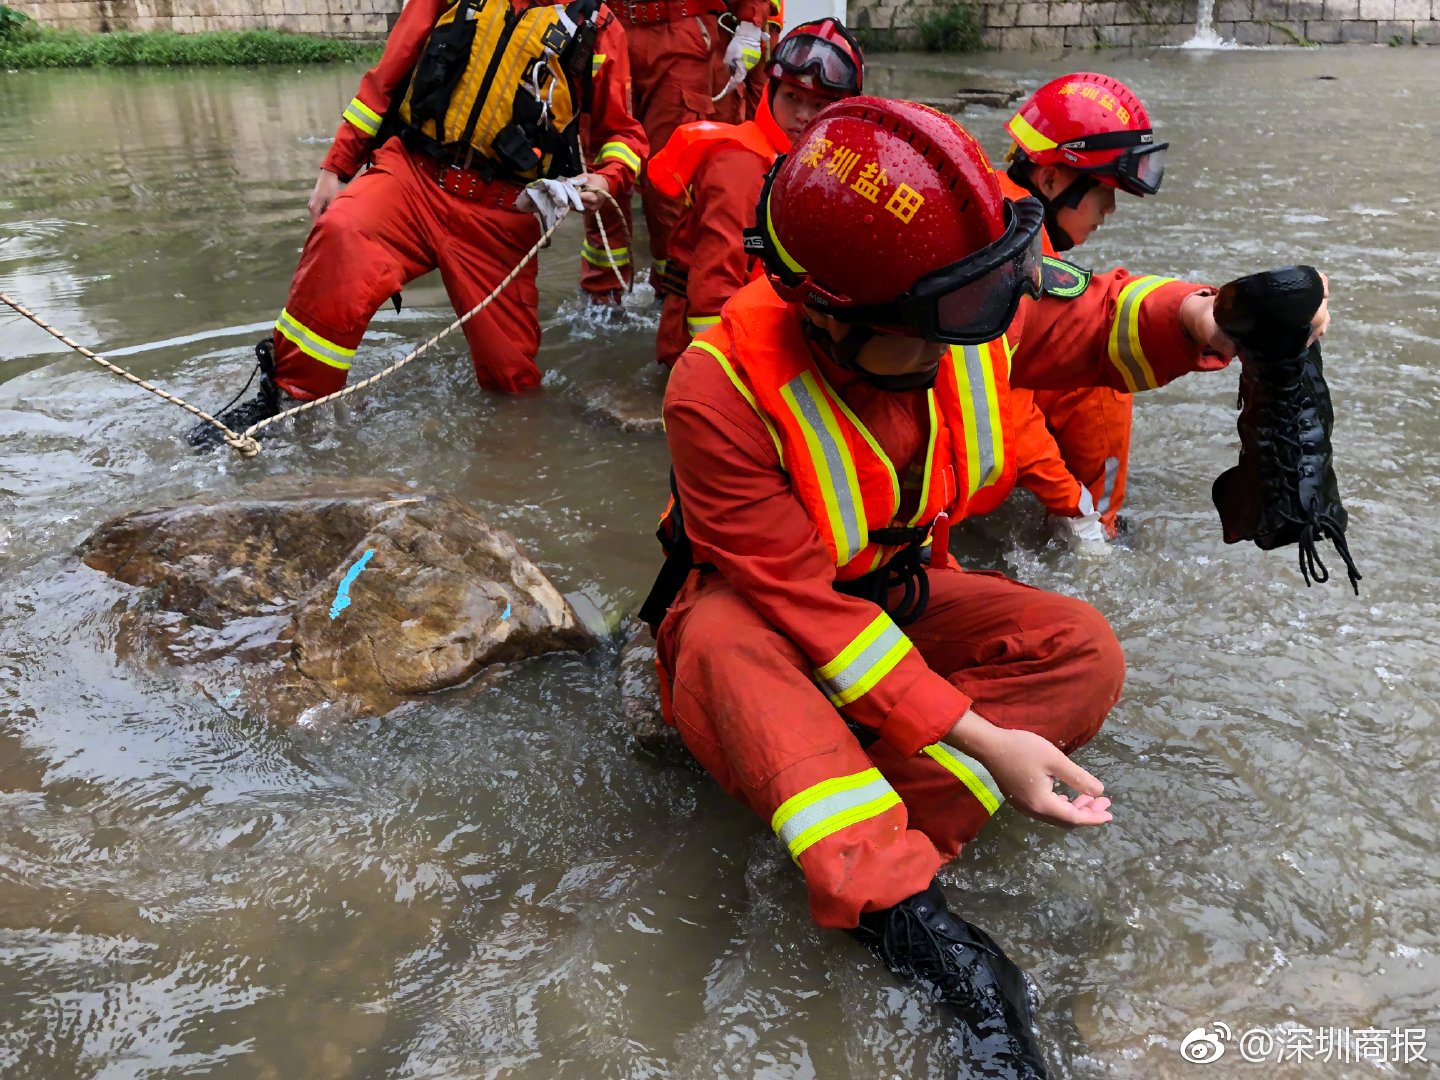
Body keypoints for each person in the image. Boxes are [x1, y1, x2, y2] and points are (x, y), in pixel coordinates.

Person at [644, 98, 1328, 1072]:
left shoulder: (954, 303)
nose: (959, 348)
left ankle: (869, 828)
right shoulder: (719, 391)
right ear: (829, 318)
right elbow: (805, 607)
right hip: (754, 612)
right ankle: (911, 921)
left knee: (1082, 651)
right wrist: (983, 736)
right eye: (931, 331)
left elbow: (1091, 318)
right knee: (728, 644)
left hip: (896, 587)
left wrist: (1213, 316)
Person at [196, 0, 649, 441]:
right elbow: (383, 83)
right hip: (411, 175)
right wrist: (336, 167)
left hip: (502, 212)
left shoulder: (599, 26)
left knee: (512, 382)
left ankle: (511, 468)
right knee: (341, 231)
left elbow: (623, 135)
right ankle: (294, 404)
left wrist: (607, 179)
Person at [1002, 73, 1172, 550]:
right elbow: (1000, 407)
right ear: (1052, 179)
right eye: (1104, 191)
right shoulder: (1015, 264)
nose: (1111, 209)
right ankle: (1105, 520)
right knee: (1104, 366)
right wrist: (1078, 510)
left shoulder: (996, 214)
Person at [647, 17, 863, 367]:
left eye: (821, 105)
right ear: (771, 93)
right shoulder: (741, 165)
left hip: (766, 322)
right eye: (792, 97)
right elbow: (713, 295)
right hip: (709, 348)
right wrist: (717, 379)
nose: (803, 116)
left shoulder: (820, 165)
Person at [576, 0, 772, 307]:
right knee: (601, 168)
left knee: (666, 181)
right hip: (606, 28)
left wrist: (749, 26)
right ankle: (602, 293)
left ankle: (670, 294)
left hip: (679, 35)